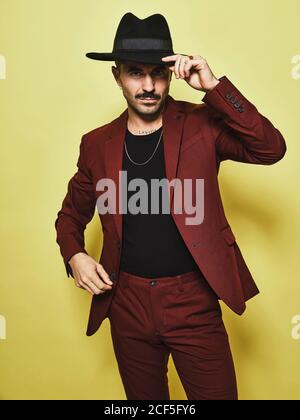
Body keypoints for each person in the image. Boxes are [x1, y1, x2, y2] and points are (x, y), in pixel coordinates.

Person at [55, 12, 287, 400]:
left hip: (192, 299)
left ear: (170, 75)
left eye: (158, 74)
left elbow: (270, 149)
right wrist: (75, 255)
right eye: (134, 73)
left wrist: (213, 87)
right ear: (117, 76)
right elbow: (70, 216)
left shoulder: (201, 124)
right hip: (125, 300)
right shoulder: (96, 143)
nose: (148, 86)